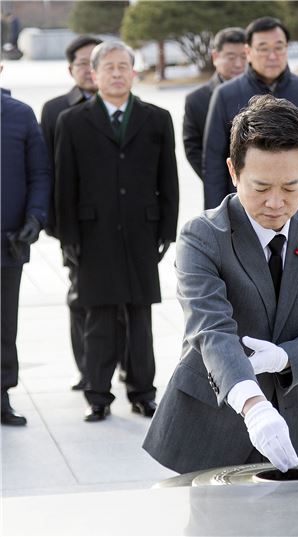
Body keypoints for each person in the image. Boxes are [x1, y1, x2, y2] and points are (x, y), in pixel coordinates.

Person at [143, 95, 298, 474]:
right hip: (213, 421)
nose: (276, 202)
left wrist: (286, 358)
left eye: (291, 187)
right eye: (261, 187)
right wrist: (253, 404)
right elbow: (210, 328)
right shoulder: (203, 235)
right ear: (233, 172)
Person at [55, 41, 179, 422]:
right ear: (93, 74)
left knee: (140, 316)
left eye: (123, 66)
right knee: (99, 317)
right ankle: (98, 395)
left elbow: (167, 178)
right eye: (108, 67)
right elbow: (65, 184)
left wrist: (167, 229)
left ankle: (143, 392)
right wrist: (68, 237)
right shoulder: (73, 121)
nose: (116, 73)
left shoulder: (156, 118)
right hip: (94, 234)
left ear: (133, 72)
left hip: (142, 230)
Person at [202, 16, 298, 210]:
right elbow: (214, 163)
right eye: (263, 48)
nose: (272, 56)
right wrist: (215, 219)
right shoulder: (225, 95)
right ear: (248, 51)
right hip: (247, 206)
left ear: (287, 48)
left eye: (279, 47)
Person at [41, 35, 103, 391]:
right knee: (80, 297)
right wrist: (55, 224)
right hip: (74, 224)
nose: (91, 69)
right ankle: (87, 370)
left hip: (117, 222)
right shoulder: (54, 110)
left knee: (122, 302)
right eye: (84, 62)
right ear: (71, 68)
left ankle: (125, 367)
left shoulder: (126, 105)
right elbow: (47, 168)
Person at [1, 80, 51, 426]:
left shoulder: (19, 115)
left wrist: (36, 216)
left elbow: (40, 173)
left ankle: (2, 394)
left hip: (8, 240)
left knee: (4, 323)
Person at [183, 27, 246, 180]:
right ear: (215, 57)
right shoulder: (196, 100)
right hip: (220, 184)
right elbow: (193, 149)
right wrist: (216, 180)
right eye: (231, 57)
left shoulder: (263, 92)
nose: (238, 64)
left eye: (243, 57)